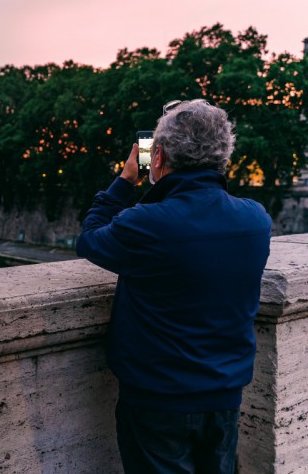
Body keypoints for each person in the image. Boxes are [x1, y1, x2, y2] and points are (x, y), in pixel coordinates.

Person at [76, 99, 271, 473]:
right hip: (225, 396)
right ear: (223, 156)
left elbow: (90, 238)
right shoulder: (255, 219)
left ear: (159, 155)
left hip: (157, 400)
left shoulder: (147, 224)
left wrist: (125, 180)